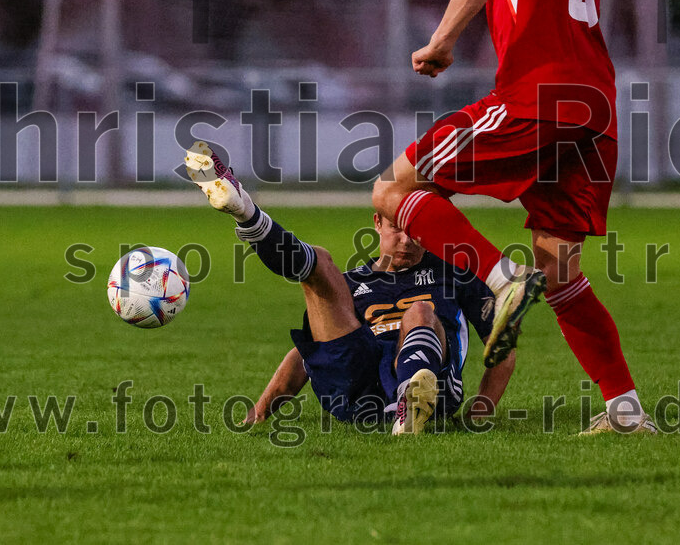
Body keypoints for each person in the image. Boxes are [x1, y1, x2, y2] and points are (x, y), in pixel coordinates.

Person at [371, 0, 655, 433]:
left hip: (541, 95)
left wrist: (442, 39)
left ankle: (499, 281)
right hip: (596, 107)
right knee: (560, 268)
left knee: (393, 186)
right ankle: (625, 410)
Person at [184, 140, 516, 435]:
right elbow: (307, 356)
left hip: (433, 383)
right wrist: (257, 415)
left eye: (414, 229)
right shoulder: (353, 281)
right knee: (320, 265)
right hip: (357, 389)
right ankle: (247, 214)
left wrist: (481, 409)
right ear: (377, 223)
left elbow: (501, 345)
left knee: (420, 312)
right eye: (396, 228)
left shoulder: (456, 272)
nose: (406, 239)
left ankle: (410, 404)